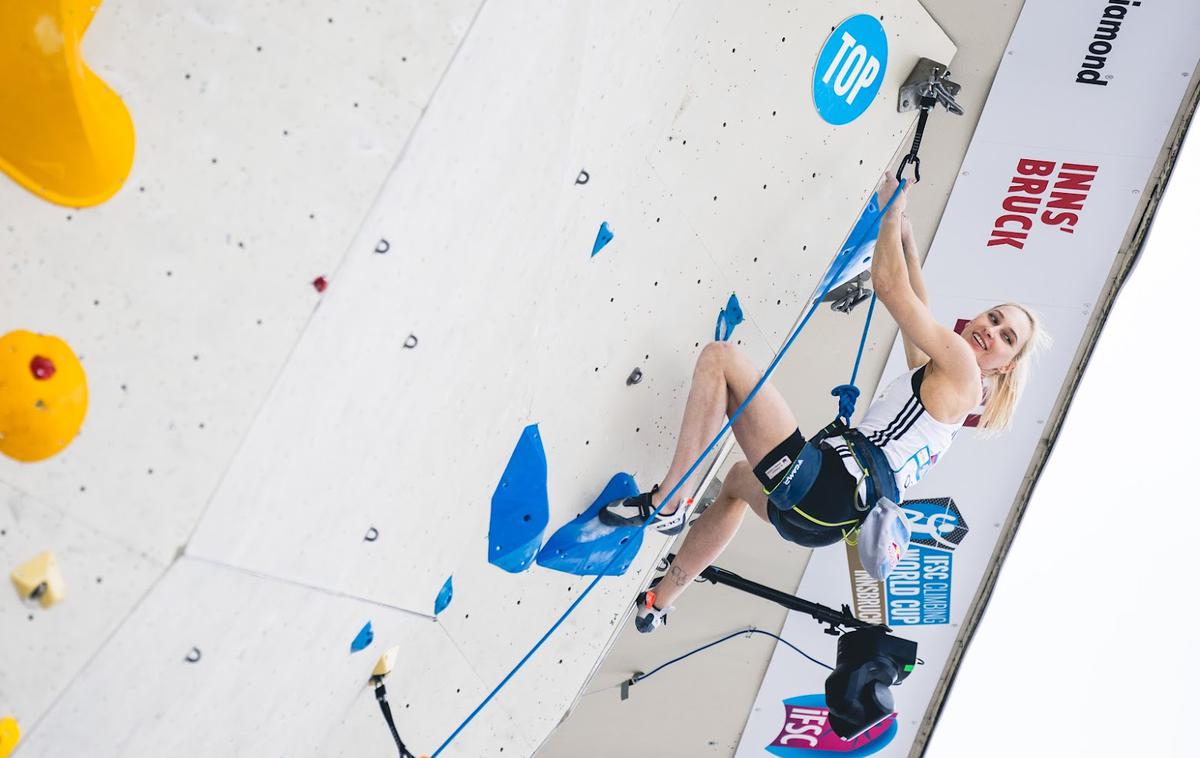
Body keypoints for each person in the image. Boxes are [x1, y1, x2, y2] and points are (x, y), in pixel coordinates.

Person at [599, 171, 1048, 632]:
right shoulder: (950, 385)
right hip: (824, 522)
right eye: (992, 317)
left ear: (1005, 366)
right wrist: (908, 239)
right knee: (736, 481)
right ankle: (659, 601)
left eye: (1004, 336)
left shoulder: (964, 370)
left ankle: (670, 502)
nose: (989, 331)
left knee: (720, 360)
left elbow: (890, 288)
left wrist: (891, 210)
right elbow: (920, 305)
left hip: (827, 484)